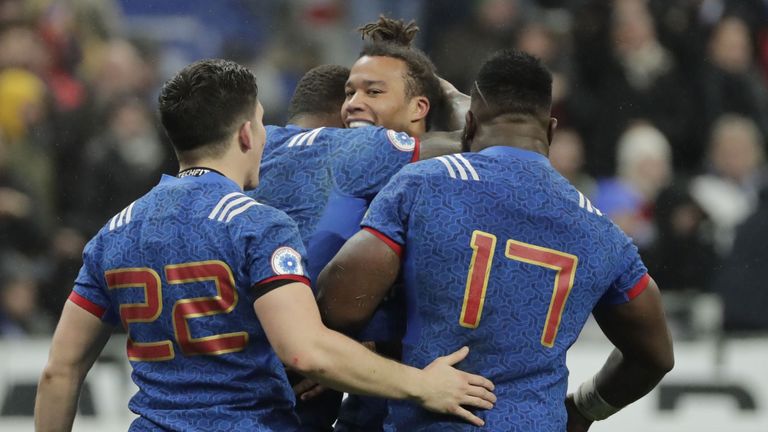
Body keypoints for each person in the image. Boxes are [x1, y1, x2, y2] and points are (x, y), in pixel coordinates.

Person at [33, 58, 496, 432]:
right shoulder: (258, 227)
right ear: (247, 134)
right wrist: (423, 386)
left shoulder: (115, 231)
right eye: (261, 124)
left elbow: (60, 371)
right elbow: (306, 352)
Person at [317, 49, 674, 431]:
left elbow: (340, 307)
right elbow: (655, 357)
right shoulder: (602, 231)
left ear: (468, 126)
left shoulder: (422, 184)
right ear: (550, 131)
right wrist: (585, 409)